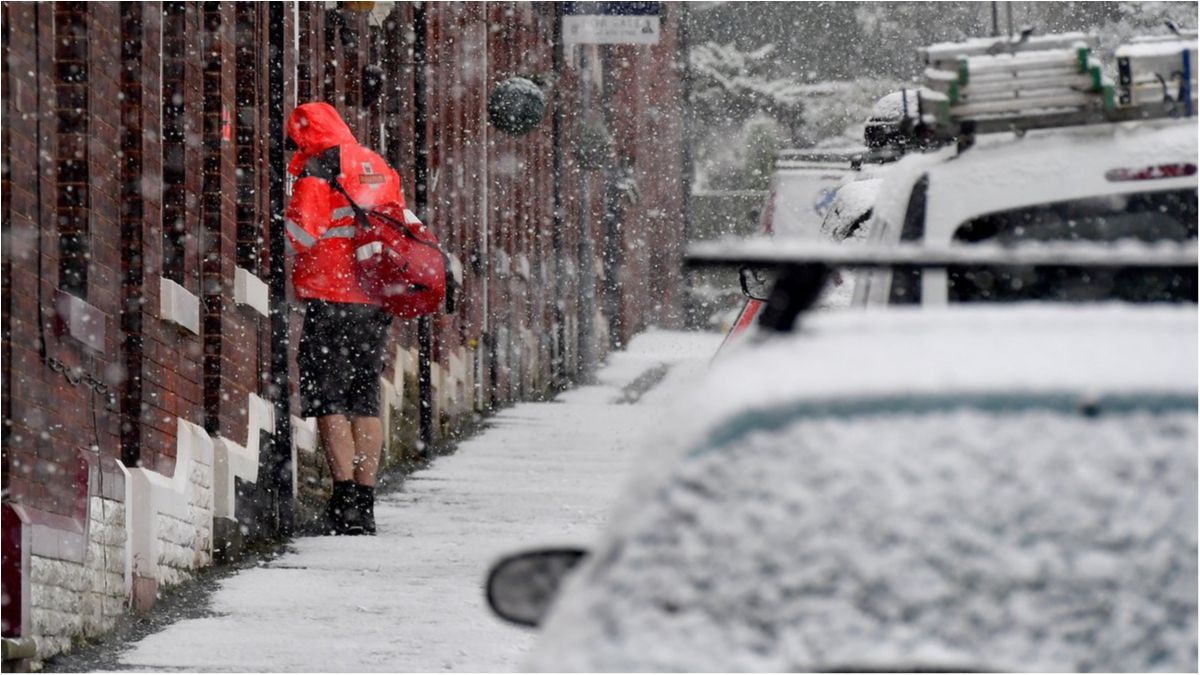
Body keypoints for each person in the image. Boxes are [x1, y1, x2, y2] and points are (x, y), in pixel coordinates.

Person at [284, 102, 405, 535]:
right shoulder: (377, 165)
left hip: (331, 298)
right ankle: (367, 504)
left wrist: (285, 215)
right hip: (375, 298)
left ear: (304, 136)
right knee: (365, 398)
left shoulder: (317, 168)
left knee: (329, 400)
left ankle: (345, 500)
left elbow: (300, 235)